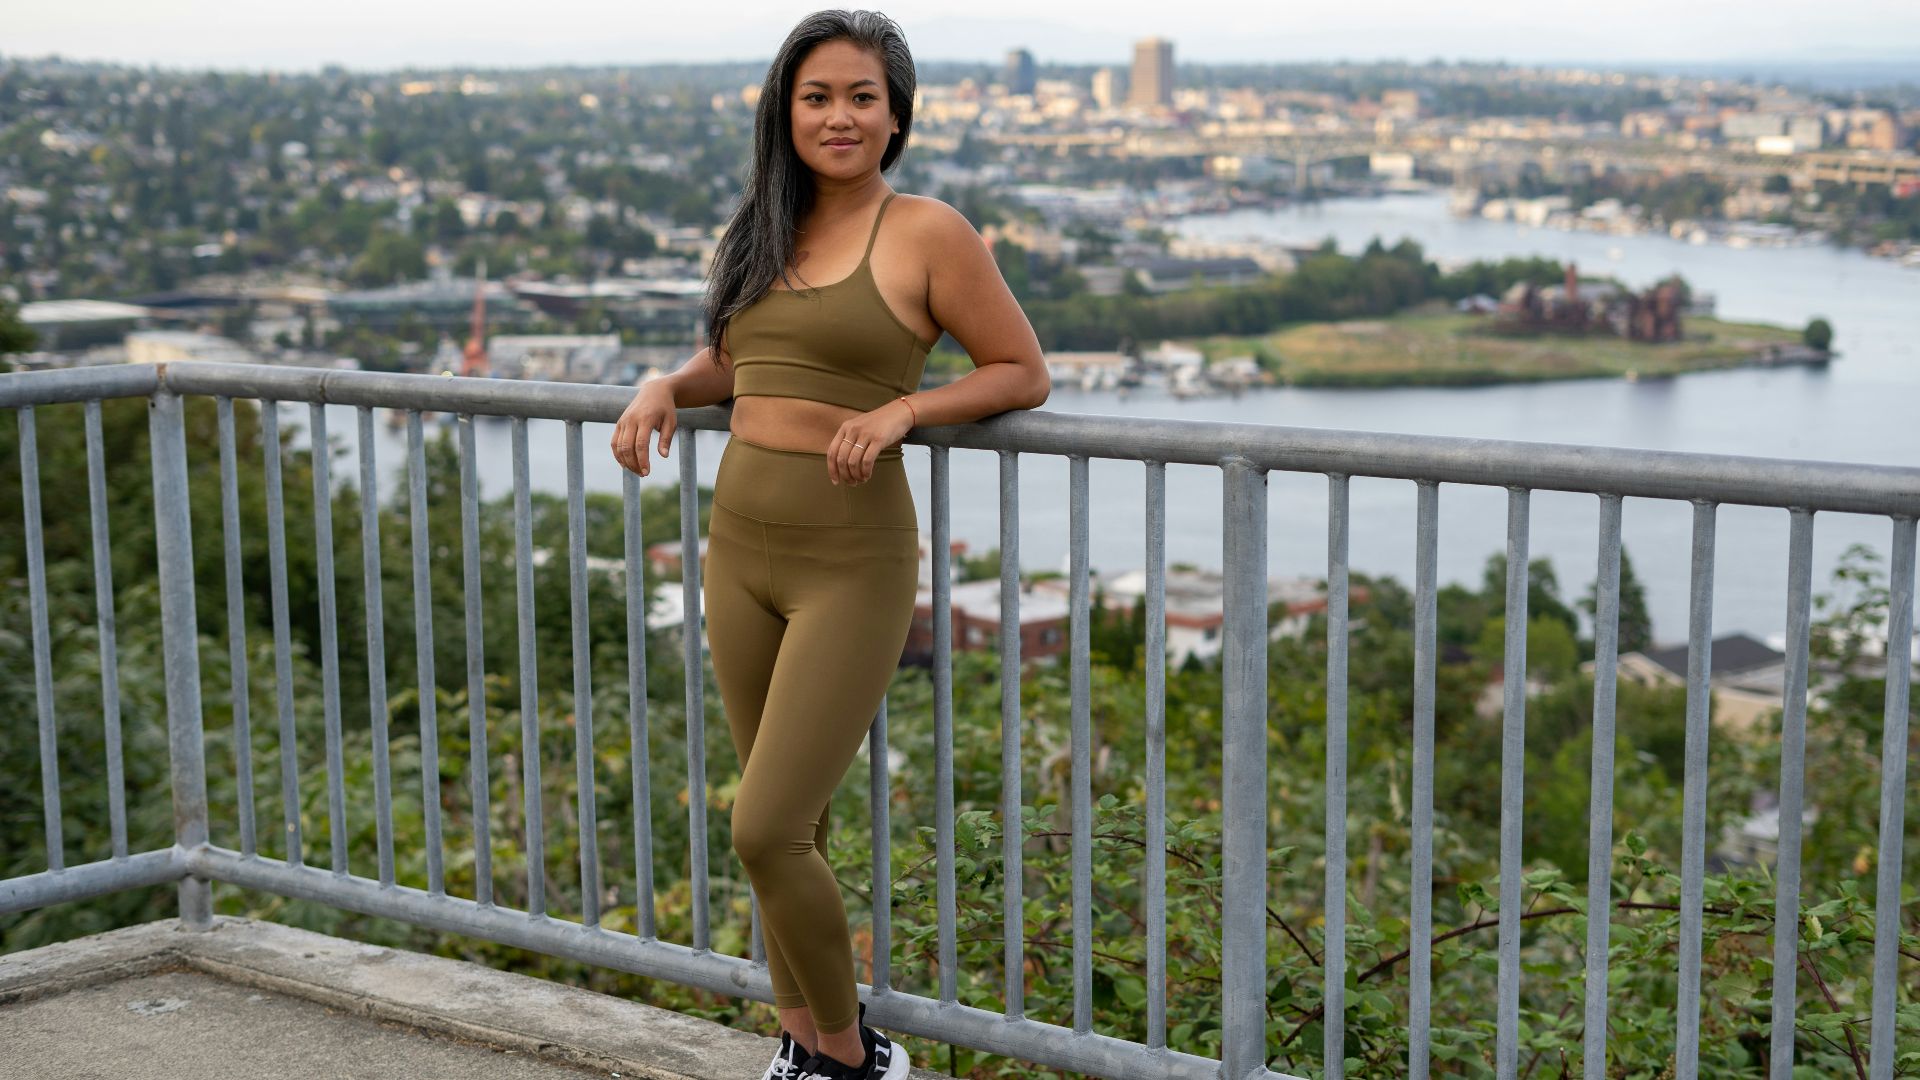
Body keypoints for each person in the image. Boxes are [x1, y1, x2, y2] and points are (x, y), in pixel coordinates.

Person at [610, 10, 1049, 1080]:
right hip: (738, 547)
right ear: (785, 110)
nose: (839, 115)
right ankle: (801, 1047)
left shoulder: (929, 232)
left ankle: (855, 1060)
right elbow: (739, 364)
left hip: (850, 556)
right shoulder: (764, 226)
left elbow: (1020, 372)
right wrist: (666, 382)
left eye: (862, 95)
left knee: (766, 826)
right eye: (818, 96)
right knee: (778, 830)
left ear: (896, 114)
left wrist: (907, 411)